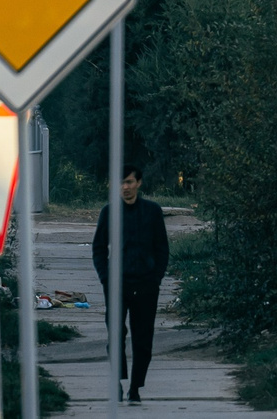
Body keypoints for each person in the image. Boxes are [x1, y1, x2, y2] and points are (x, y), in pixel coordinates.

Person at [92, 165, 171, 403]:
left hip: (146, 284)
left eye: (128, 182)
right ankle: (117, 381)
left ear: (139, 183)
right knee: (115, 335)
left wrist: (156, 277)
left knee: (143, 338)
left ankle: (135, 388)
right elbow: (98, 249)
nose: (124, 187)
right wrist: (106, 278)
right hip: (117, 284)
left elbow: (162, 249)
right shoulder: (109, 212)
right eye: (120, 183)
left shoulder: (152, 211)